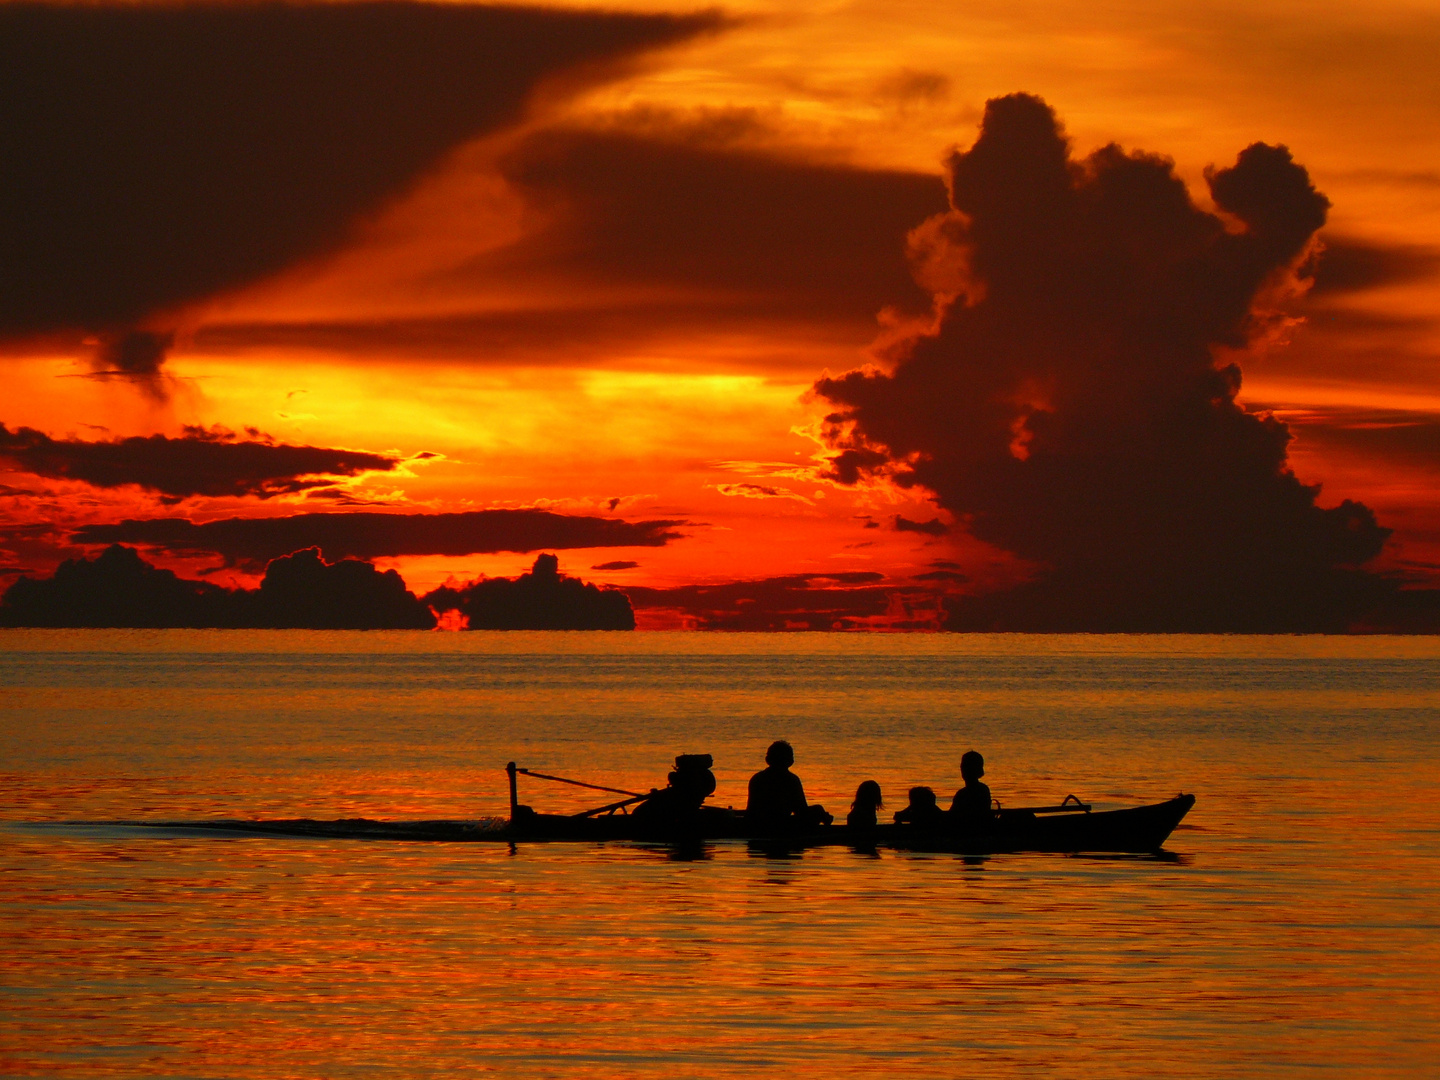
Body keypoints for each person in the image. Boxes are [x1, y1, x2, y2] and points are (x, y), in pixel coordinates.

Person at [746, 740, 832, 832]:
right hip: (780, 826)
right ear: (790, 761)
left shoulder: (757, 778)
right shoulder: (791, 780)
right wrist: (820, 814)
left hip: (756, 824)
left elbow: (751, 810)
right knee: (817, 810)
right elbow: (800, 810)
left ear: (768, 760)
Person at [949, 750, 993, 831]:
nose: (962, 769)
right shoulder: (984, 789)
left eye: (965, 766)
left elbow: (951, 817)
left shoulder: (963, 794)